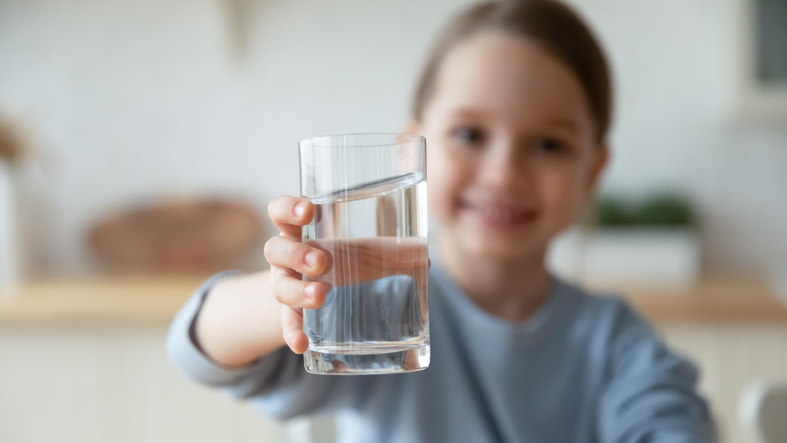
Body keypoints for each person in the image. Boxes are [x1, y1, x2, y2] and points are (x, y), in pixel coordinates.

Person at [167, 1, 716, 441]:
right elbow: (197, 350)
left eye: (548, 144)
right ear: (415, 149)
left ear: (592, 172)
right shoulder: (377, 308)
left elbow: (672, 421)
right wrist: (284, 295)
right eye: (470, 135)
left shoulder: (616, 342)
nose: (503, 174)